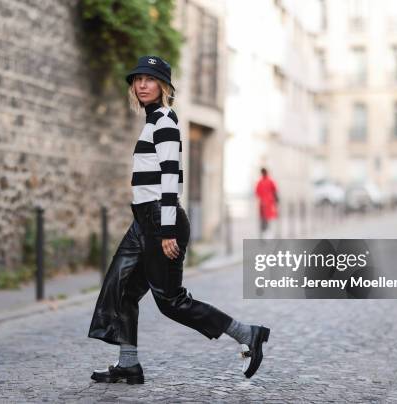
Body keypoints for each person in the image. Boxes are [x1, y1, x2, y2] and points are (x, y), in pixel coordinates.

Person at [88, 55, 270, 384]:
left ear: (164, 87)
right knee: (121, 290)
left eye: (150, 79)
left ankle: (248, 334)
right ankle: (128, 363)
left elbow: (171, 179)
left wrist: (167, 231)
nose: (142, 85)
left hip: (161, 221)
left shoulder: (166, 123)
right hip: (143, 222)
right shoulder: (152, 122)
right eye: (138, 79)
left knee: (171, 302)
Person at [255, 167, 279, 238]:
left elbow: (257, 193)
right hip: (267, 203)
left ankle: (265, 232)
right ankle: (266, 232)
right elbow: (275, 191)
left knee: (265, 219)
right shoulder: (268, 181)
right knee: (266, 219)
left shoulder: (262, 182)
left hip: (265, 203)